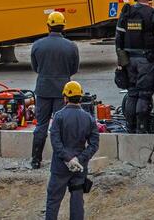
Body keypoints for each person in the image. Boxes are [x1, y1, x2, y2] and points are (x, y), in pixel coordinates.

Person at [115, 0, 154, 133]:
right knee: (144, 95)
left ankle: (130, 128)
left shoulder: (126, 13)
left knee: (132, 94)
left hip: (128, 61)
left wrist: (121, 61)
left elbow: (118, 40)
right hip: (147, 61)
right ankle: (142, 129)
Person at [29, 11, 79, 169]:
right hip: (62, 91)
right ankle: (62, 159)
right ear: (63, 26)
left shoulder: (37, 45)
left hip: (43, 90)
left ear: (48, 26)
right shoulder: (71, 46)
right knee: (61, 127)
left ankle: (36, 160)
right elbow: (73, 69)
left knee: (41, 126)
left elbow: (35, 67)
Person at [45, 81, 99, 220]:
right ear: (80, 98)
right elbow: (94, 145)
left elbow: (56, 142)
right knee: (77, 201)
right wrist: (79, 159)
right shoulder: (89, 118)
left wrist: (68, 159)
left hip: (60, 167)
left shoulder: (59, 116)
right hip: (79, 168)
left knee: (53, 201)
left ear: (65, 97)